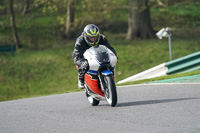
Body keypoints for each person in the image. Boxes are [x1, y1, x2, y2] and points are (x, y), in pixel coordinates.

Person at [72, 24, 117, 89]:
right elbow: (76, 55)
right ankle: (81, 78)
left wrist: (114, 55)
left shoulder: (102, 38)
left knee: (109, 62)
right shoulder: (80, 41)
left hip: (97, 54)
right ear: (86, 36)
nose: (93, 40)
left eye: (95, 37)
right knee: (84, 65)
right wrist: (81, 63)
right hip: (83, 56)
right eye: (91, 38)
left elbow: (110, 48)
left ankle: (111, 81)